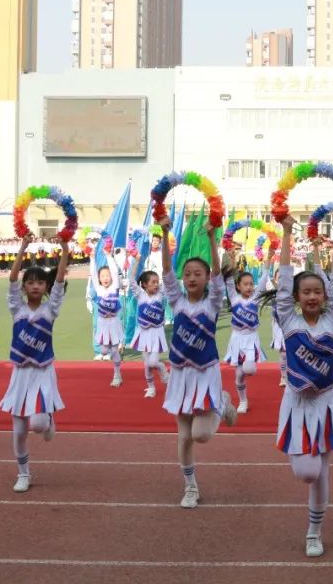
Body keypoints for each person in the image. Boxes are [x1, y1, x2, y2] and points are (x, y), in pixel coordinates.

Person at [273, 214, 333, 558]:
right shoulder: (288, 318)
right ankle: (300, 451)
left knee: (321, 473)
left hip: (327, 402)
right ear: (296, 296)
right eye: (306, 292)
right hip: (297, 404)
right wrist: (287, 233)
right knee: (307, 472)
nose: (313, 296)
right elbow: (285, 277)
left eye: (318, 291)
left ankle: (314, 532)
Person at [159, 216, 237, 509]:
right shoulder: (177, 302)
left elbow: (218, 274)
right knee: (184, 438)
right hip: (181, 375)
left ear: (206, 279)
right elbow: (166, 271)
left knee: (200, 435)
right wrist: (165, 233)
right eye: (188, 273)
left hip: (205, 373)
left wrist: (212, 238)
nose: (192, 278)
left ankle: (221, 403)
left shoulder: (212, 303)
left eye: (198, 274)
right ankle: (190, 486)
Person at [0, 234, 69, 492]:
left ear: (45, 286)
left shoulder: (50, 310)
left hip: (42, 372)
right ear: (24, 287)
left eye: (40, 282)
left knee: (38, 425)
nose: (36, 286)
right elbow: (11, 280)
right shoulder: (17, 309)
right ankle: (23, 473)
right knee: (19, 431)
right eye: (30, 282)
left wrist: (64, 250)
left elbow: (59, 282)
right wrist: (22, 247)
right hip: (20, 374)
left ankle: (48, 416)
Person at [223, 252, 270, 414]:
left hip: (251, 338)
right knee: (238, 376)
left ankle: (247, 367)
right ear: (238, 286)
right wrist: (231, 260)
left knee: (249, 369)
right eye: (245, 284)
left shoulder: (255, 299)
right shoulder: (234, 299)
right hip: (237, 339)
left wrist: (268, 258)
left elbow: (263, 279)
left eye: (251, 284)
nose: (249, 287)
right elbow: (228, 281)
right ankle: (243, 401)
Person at [128, 253, 169, 399]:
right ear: (144, 284)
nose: (156, 284)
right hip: (144, 333)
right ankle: (151, 388)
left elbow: (167, 275)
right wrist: (137, 261)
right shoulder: (140, 295)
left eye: (157, 282)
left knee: (153, 362)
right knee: (147, 364)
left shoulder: (160, 295)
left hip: (157, 333)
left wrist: (168, 257)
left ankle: (163, 369)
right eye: (153, 282)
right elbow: (131, 279)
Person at [89, 255, 125, 385]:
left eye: (107, 276)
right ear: (99, 279)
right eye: (102, 276)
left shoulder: (114, 287)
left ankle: (117, 375)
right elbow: (93, 274)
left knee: (114, 351)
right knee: (104, 351)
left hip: (114, 322)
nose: (105, 278)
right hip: (103, 323)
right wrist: (92, 258)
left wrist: (109, 256)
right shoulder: (98, 289)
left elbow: (114, 271)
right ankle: (113, 354)